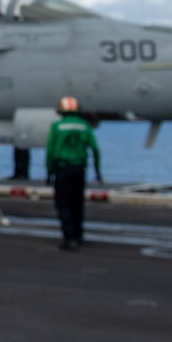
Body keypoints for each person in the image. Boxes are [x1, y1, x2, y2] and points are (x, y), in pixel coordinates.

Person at [45, 95, 102, 251]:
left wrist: (49, 171)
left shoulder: (57, 126)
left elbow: (50, 150)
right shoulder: (84, 125)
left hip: (63, 169)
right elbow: (95, 149)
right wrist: (97, 170)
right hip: (79, 169)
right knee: (77, 203)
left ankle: (69, 238)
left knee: (63, 204)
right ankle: (78, 235)